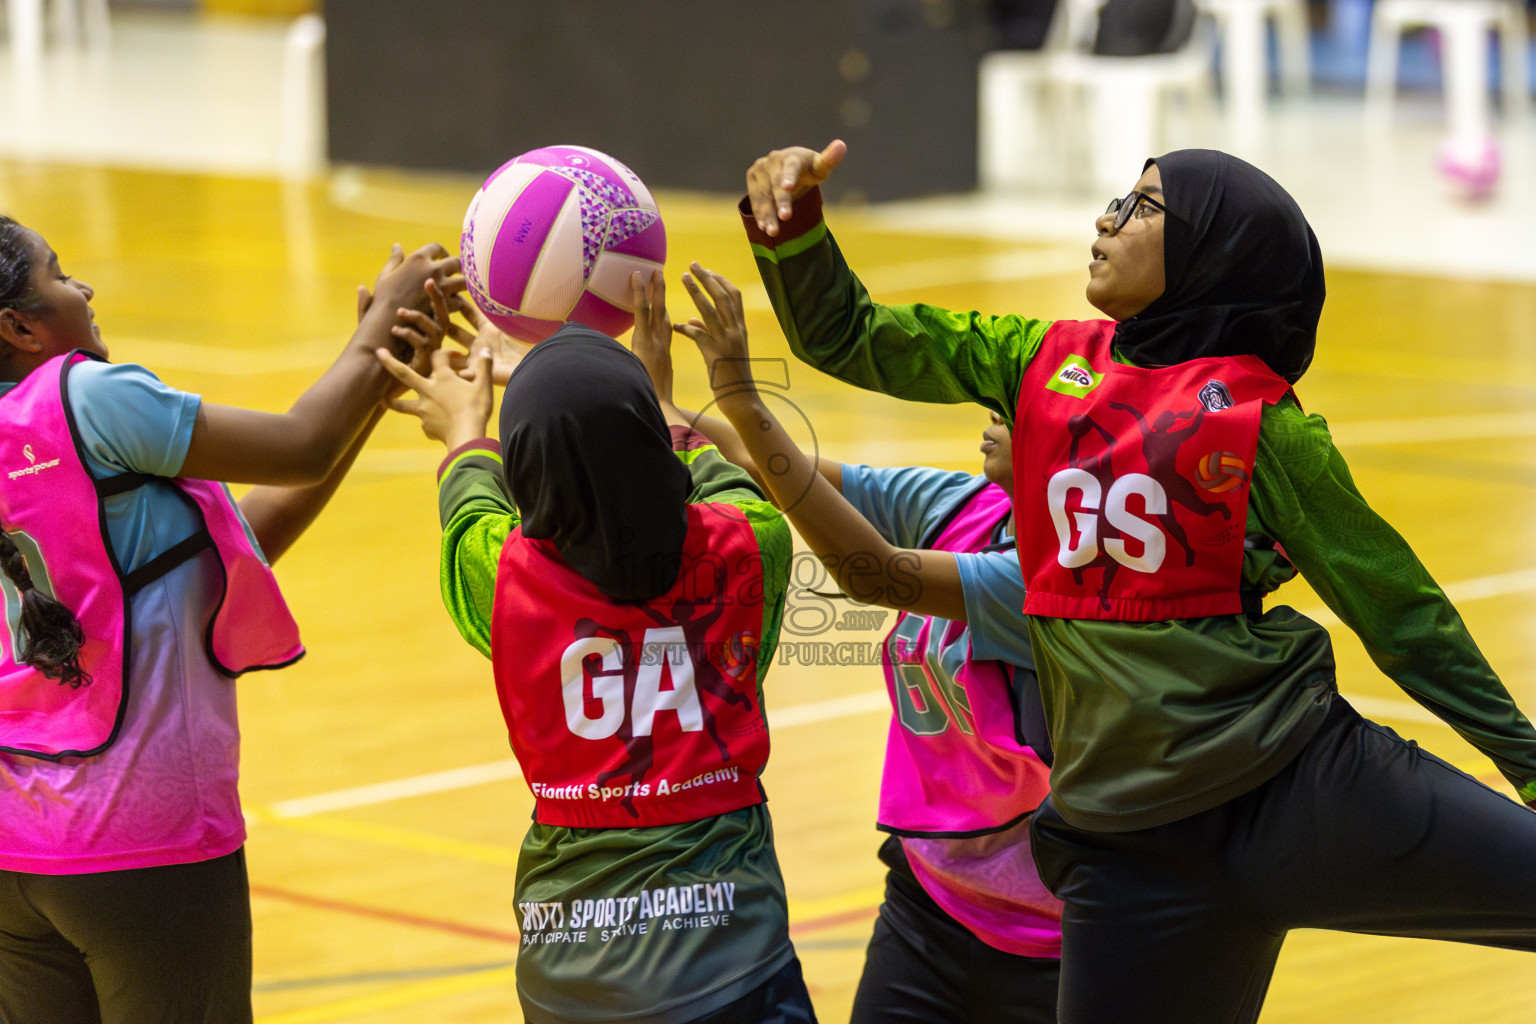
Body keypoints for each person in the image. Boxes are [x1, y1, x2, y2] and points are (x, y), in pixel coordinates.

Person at [738, 141, 1536, 1023]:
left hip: (1300, 789)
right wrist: (796, 233)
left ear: (1211, 253)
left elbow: (1404, 617)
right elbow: (849, 336)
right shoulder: (1037, 359)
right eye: (1118, 198)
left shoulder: (1264, 425)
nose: (1106, 218)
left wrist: (1530, 768)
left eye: (1145, 206)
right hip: (1126, 848)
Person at [0, 215, 457, 1023]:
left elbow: (236, 541)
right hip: (142, 836)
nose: (85, 288)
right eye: (59, 273)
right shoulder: (87, 396)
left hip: (16, 854)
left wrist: (374, 386)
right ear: (19, 325)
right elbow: (299, 443)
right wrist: (378, 330)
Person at [630, 266, 1063, 1023]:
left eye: (1016, 400)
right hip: (928, 903)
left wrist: (743, 400)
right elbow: (784, 473)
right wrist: (653, 404)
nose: (992, 407)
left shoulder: (1054, 582)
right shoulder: (964, 502)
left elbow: (873, 574)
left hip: (1055, 942)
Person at [374, 312, 816, 1024]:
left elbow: (469, 502)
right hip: (731, 958)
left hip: (568, 974)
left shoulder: (501, 575)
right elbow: (725, 480)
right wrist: (667, 406)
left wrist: (467, 425)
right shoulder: (748, 547)